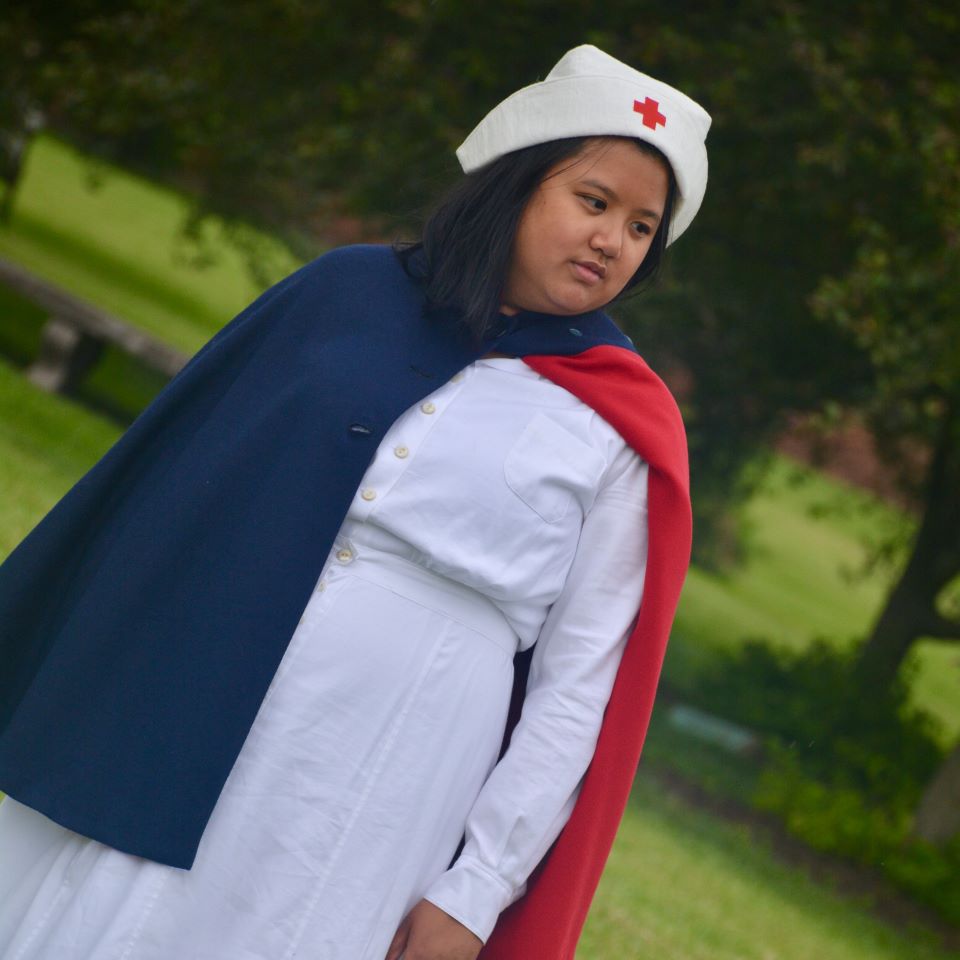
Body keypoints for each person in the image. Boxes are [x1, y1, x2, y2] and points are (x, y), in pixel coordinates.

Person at [0, 45, 709, 960]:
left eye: (643, 226)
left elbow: (580, 691)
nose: (612, 240)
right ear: (517, 186)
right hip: (186, 695)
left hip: (384, 770)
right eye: (593, 201)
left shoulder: (620, 425)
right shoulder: (344, 295)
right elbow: (166, 492)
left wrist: (478, 889)